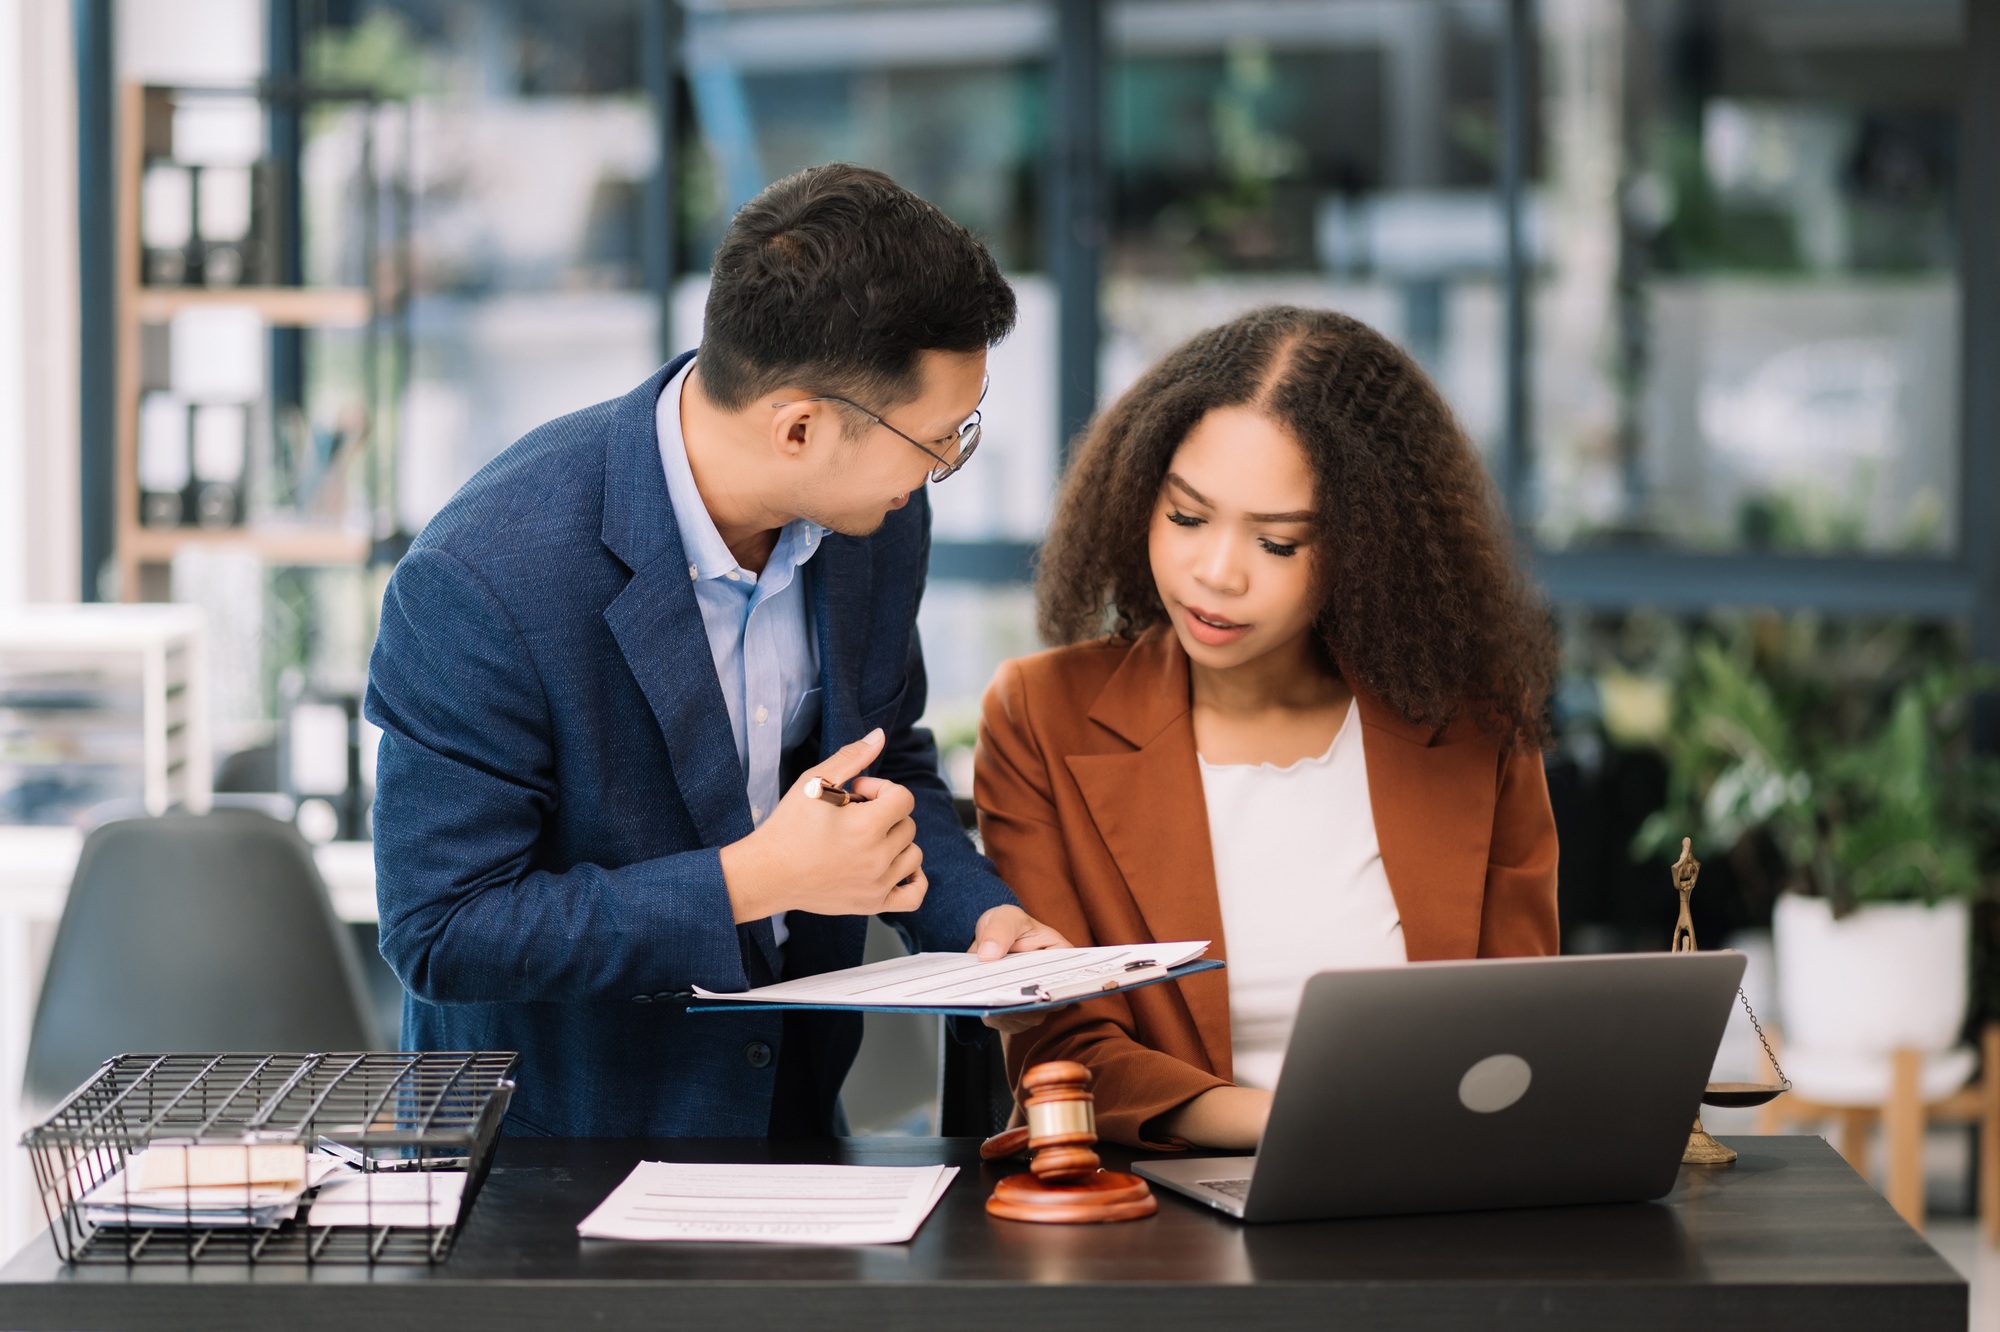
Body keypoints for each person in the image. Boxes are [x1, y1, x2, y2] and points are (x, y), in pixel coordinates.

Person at [367, 164, 1066, 1139]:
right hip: (552, 1167)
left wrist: (979, 921)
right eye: (939, 438)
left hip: (792, 1133)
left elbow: (882, 754)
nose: (944, 465)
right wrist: (756, 880)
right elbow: (443, 931)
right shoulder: (483, 578)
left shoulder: (874, 518)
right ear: (799, 427)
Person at [976, 305, 1559, 1150]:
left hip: (1435, 1209)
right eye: (1185, 517)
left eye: (1280, 545)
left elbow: (1526, 1030)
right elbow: (1066, 1054)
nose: (1216, 573)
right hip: (1162, 1227)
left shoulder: (1474, 725)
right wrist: (1319, 1129)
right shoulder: (1041, 715)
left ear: (1369, 552)